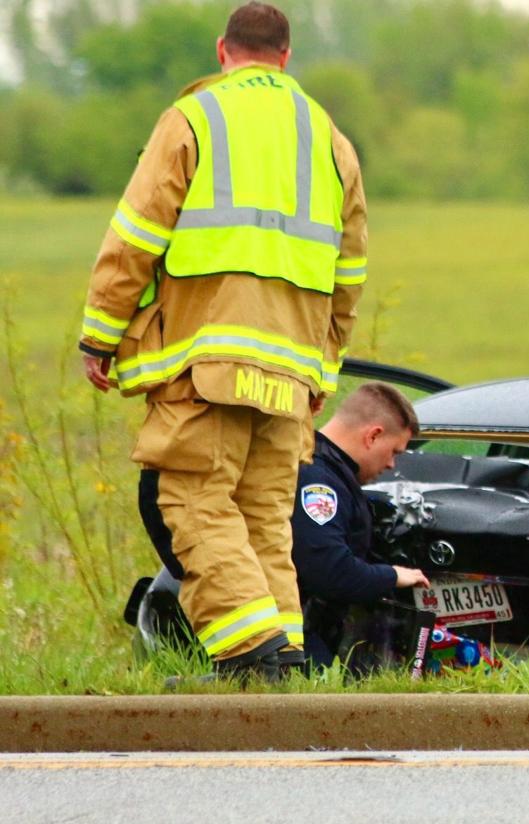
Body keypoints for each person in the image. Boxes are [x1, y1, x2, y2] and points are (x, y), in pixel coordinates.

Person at [80, 2, 368, 681]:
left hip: (209, 362)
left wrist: (101, 332)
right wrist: (322, 367)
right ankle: (285, 660)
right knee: (263, 516)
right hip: (291, 373)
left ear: (223, 51)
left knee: (193, 498)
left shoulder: (194, 119)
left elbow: (138, 234)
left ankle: (251, 656)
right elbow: (349, 273)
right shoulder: (331, 141)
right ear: (286, 58)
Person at [291, 382, 430, 668]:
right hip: (296, 642)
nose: (392, 464)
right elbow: (329, 571)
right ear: (374, 436)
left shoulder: (329, 472)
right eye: (394, 451)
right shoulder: (318, 480)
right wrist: (392, 576)